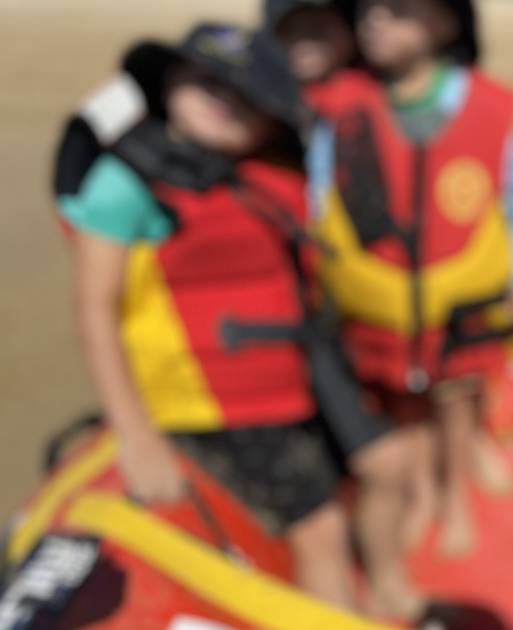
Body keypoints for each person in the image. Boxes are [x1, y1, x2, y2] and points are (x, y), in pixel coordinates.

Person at [54, 24, 355, 607]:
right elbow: (94, 311)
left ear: (270, 119)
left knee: (323, 526)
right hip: (194, 412)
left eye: (246, 97)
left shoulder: (268, 172)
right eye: (202, 83)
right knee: (301, 535)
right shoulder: (124, 183)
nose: (223, 102)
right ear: (164, 85)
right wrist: (136, 436)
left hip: (281, 400)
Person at [299, 0, 513, 616]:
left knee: (456, 401)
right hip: (383, 304)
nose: (376, 23)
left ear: (444, 25)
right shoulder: (342, 110)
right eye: (368, 12)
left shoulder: (482, 105)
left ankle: (452, 492)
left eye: (399, 11)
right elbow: (321, 194)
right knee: (405, 406)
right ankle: (420, 496)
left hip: (462, 298)